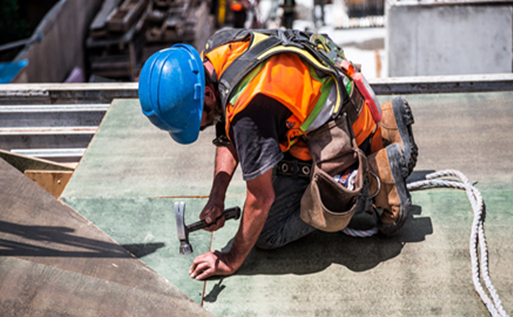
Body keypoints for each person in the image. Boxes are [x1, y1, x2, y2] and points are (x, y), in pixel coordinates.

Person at [138, 29, 417, 281]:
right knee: (262, 164)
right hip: (343, 104)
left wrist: (230, 259)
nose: (199, 128)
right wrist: (217, 195)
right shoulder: (216, 50)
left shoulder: (249, 110)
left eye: (196, 121)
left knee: (269, 232)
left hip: (341, 136)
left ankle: (375, 179)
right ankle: (388, 127)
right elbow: (227, 127)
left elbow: (261, 198)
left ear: (208, 94)